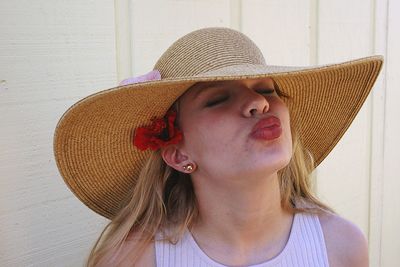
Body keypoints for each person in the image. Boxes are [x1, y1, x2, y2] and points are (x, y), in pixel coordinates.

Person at [53, 27, 383, 266]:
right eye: (218, 98)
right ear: (178, 153)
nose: (258, 103)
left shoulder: (340, 246)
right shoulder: (134, 258)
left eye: (267, 89)